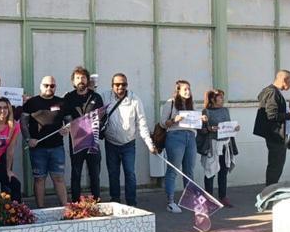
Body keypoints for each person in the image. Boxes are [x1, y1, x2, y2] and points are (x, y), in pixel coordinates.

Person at [101, 73, 156, 208]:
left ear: (127, 85)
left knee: (130, 173)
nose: (120, 87)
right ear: (112, 85)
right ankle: (115, 202)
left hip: (128, 144)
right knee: (113, 174)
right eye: (117, 84)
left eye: (123, 84)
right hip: (111, 143)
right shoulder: (104, 97)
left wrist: (149, 144)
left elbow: (142, 123)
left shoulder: (135, 100)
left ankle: (131, 203)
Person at [21, 76, 69, 208]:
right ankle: (40, 210)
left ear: (55, 87)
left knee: (59, 178)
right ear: (41, 85)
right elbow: (23, 123)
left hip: (57, 147)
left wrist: (67, 128)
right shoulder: (31, 102)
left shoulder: (61, 102)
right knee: (39, 179)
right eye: (46, 85)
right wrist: (28, 139)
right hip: (37, 148)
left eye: (52, 86)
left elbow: (69, 121)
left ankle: (66, 210)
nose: (49, 88)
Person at [62, 66, 103, 201]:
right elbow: (66, 116)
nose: (81, 80)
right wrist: (70, 124)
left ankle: (96, 202)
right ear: (73, 81)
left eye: (83, 77)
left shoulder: (96, 97)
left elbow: (102, 116)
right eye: (78, 78)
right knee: (76, 173)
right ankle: (76, 204)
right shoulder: (68, 97)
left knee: (94, 174)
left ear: (87, 80)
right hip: (76, 141)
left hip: (93, 141)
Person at [253, 70, 290, 186]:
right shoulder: (273, 93)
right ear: (284, 80)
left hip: (274, 134)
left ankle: (270, 190)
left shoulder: (271, 91)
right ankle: (270, 192)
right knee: (276, 165)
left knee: (275, 164)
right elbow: (272, 115)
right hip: (275, 134)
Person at [160, 80, 200, 212]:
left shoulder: (191, 104)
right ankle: (170, 201)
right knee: (173, 169)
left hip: (190, 136)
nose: (188, 92)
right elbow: (162, 123)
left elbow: (195, 120)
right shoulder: (170, 103)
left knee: (189, 170)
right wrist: (174, 120)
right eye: (185, 89)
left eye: (189, 89)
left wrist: (201, 120)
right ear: (178, 90)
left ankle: (190, 200)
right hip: (175, 136)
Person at [199, 89, 238, 207]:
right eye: (220, 97)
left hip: (225, 144)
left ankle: (223, 196)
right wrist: (210, 129)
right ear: (212, 99)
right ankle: (209, 197)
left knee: (223, 170)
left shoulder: (225, 110)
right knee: (210, 171)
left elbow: (228, 125)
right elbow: (202, 130)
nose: (222, 100)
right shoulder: (206, 112)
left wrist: (235, 128)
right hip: (213, 144)